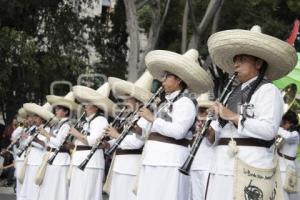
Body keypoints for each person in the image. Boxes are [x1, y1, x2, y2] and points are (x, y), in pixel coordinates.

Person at [206, 25, 297, 200]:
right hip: (222, 166)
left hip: (250, 166)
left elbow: (269, 130)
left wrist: (232, 116)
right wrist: (209, 132)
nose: (236, 64)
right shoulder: (231, 92)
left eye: (242, 59)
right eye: (235, 60)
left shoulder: (269, 90)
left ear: (258, 62)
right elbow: (221, 131)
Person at [137, 49, 213, 200]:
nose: (162, 81)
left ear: (178, 80)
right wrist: (138, 128)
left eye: (166, 77)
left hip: (170, 161)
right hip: (154, 158)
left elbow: (178, 132)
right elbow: (154, 132)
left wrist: (152, 119)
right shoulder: (165, 102)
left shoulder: (186, 102)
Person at [105, 70, 153, 200]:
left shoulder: (144, 118)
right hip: (119, 165)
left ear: (138, 100)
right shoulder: (130, 116)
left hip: (132, 166)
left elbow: (138, 142)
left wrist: (116, 135)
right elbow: (120, 141)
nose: (125, 103)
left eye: (128, 99)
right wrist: (107, 143)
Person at [69, 83, 115, 200]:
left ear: (96, 107)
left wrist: (76, 133)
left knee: (87, 194)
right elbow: (77, 142)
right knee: (77, 193)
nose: (84, 106)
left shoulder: (100, 120)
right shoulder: (84, 121)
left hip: (92, 163)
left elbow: (93, 141)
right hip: (79, 159)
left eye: (88, 104)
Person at [37, 92, 78, 200]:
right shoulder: (57, 124)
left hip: (60, 159)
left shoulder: (66, 125)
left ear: (65, 112)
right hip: (52, 157)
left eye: (59, 109)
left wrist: (45, 134)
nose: (56, 110)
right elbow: (52, 141)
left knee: (58, 188)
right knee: (49, 187)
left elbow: (59, 143)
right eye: (56, 108)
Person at [20, 103, 54, 200]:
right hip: (31, 159)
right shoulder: (34, 128)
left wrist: (30, 139)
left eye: (37, 117)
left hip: (38, 160)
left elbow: (42, 145)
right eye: (34, 117)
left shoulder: (46, 129)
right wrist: (25, 138)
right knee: (28, 186)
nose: (34, 120)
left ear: (42, 119)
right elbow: (29, 142)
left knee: (35, 186)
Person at [189, 93, 215, 200]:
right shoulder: (193, 124)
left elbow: (212, 138)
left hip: (207, 167)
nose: (203, 112)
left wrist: (206, 130)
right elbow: (189, 145)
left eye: (206, 110)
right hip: (194, 166)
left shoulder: (215, 123)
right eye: (200, 110)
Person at [277, 110, 299, 200]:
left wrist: (276, 127)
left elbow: (287, 136)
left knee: (284, 193)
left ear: (290, 123)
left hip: (287, 167)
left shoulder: (295, 134)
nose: (282, 124)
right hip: (279, 163)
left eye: (284, 122)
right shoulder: (285, 131)